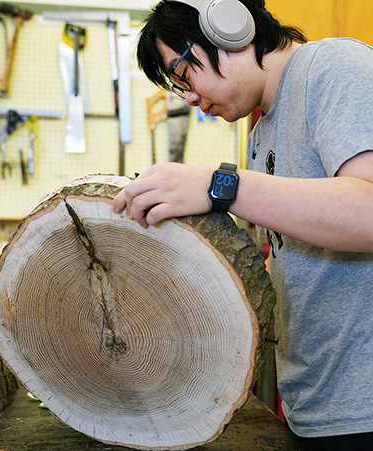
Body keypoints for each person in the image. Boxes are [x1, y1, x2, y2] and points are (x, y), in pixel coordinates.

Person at [112, 0, 373, 448]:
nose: (189, 97)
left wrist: (222, 186)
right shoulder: (259, 136)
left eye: (184, 72)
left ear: (229, 31)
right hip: (314, 408)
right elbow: (298, 265)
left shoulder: (333, 67)